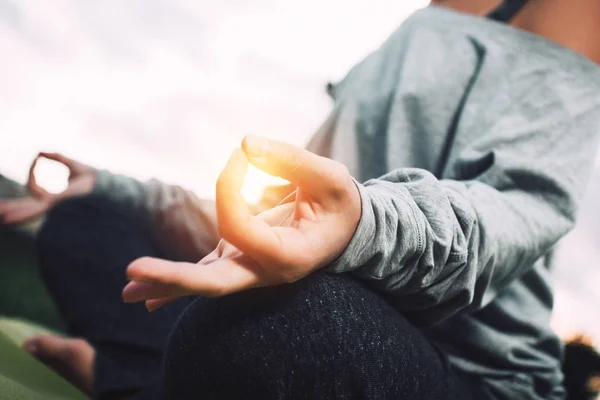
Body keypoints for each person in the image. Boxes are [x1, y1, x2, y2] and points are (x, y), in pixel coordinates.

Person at [2, 0, 600, 399]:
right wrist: (109, 187)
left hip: (464, 374)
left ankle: (137, 378)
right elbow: (285, 216)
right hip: (318, 301)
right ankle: (146, 374)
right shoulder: (425, 21)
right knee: (85, 221)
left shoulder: (567, 10)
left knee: (273, 327)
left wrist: (362, 226)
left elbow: (510, 213)